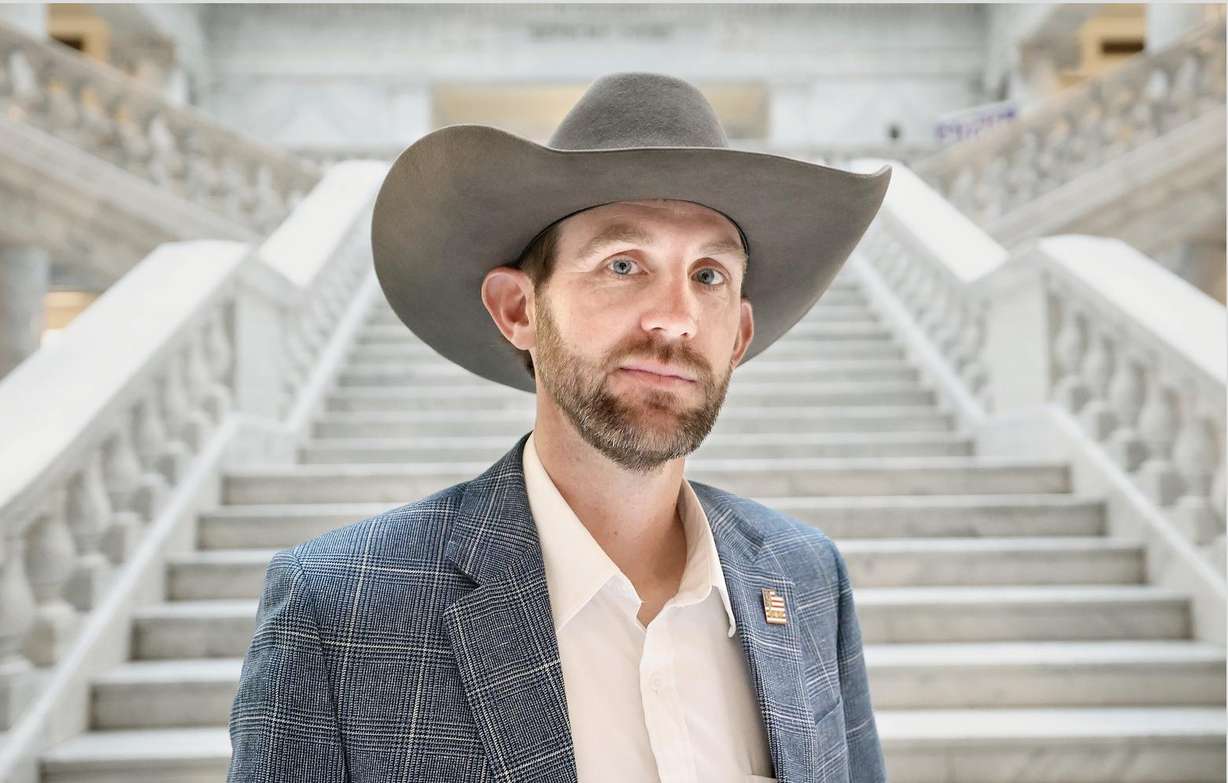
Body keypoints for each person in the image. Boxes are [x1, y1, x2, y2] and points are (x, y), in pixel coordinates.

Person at [228, 71, 891, 783]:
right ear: (518, 309)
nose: (676, 315)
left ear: (739, 333)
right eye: (624, 263)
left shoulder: (806, 575)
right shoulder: (340, 609)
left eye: (708, 276)